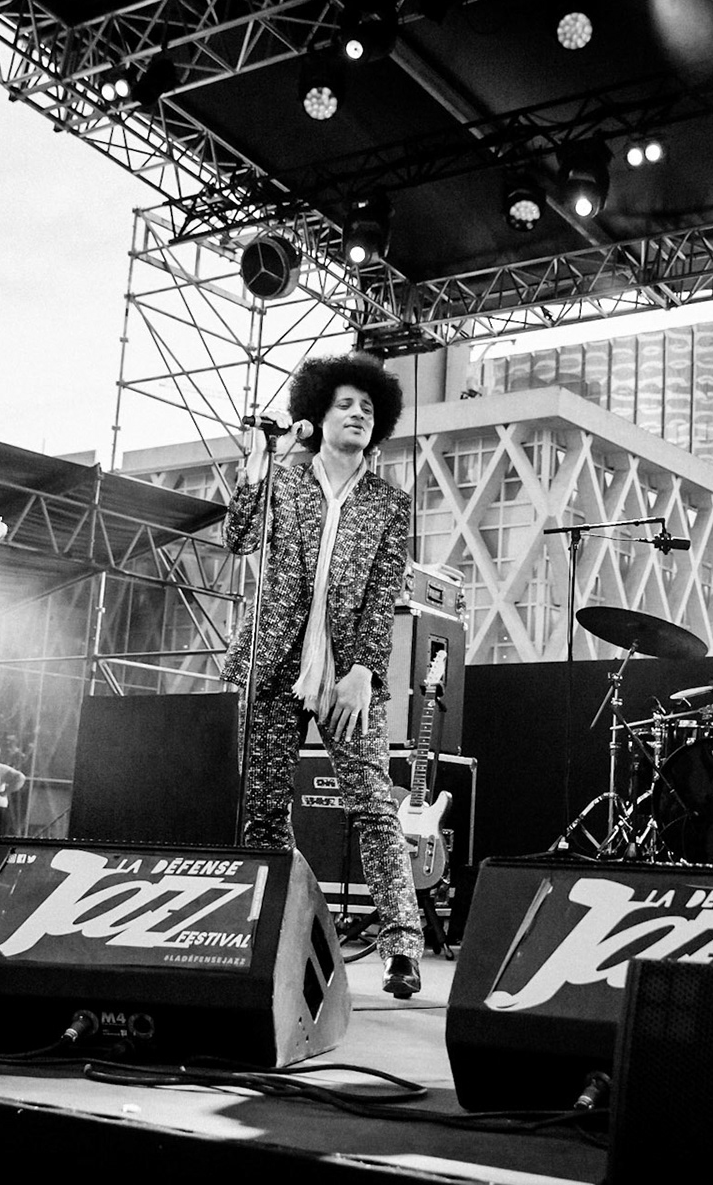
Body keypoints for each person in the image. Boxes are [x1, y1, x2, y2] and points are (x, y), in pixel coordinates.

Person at [223, 352, 424, 998]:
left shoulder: (391, 503)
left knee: (373, 804)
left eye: (369, 407)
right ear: (318, 414)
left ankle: (402, 949)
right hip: (272, 660)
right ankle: (276, 933)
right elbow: (238, 539)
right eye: (346, 404)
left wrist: (364, 669)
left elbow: (382, 592)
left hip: (348, 671)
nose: (359, 414)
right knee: (261, 811)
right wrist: (261, 459)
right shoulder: (284, 478)